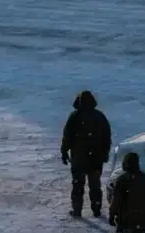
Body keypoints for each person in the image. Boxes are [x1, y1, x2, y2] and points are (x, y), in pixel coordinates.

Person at [61, 89, 112, 219]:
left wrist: (64, 151)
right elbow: (107, 137)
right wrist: (105, 152)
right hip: (96, 158)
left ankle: (77, 210)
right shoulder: (100, 116)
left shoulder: (74, 117)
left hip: (79, 158)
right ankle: (96, 210)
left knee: (78, 184)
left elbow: (67, 136)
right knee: (95, 185)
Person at [108, 152, 145, 232]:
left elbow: (116, 201)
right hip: (141, 221)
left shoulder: (122, 179)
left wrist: (111, 215)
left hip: (125, 221)